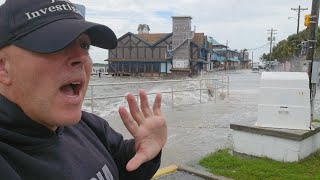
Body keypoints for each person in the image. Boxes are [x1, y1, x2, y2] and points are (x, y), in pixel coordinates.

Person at [0, 0, 167, 180]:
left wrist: (142, 152)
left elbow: (119, 167)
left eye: (84, 45)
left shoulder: (92, 126)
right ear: (3, 67)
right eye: (55, 43)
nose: (81, 57)